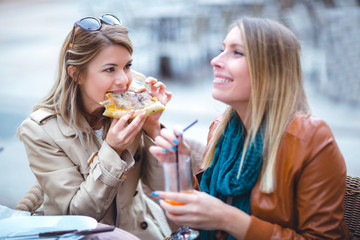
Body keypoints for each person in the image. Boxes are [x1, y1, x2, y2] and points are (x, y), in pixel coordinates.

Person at [150, 17, 349, 239]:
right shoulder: (220, 129)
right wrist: (179, 169)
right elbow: (194, 219)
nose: (215, 61)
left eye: (237, 52)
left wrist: (228, 218)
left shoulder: (311, 138)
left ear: (272, 71)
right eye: (222, 49)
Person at [17, 14, 172, 240]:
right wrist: (112, 150)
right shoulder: (39, 131)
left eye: (127, 66)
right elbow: (77, 215)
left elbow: (163, 191)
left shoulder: (130, 110)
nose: (123, 80)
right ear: (76, 73)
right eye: (110, 69)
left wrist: (153, 130)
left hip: (144, 232)